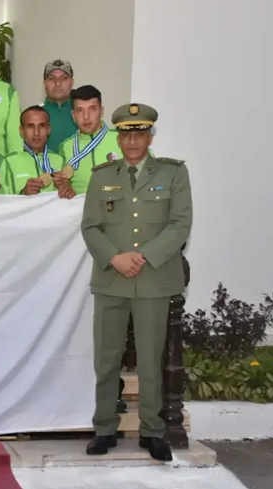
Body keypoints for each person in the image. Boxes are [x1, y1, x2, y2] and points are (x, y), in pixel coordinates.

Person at [81, 103, 192, 462]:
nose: (132, 141)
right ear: (118, 136)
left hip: (153, 278)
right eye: (126, 133)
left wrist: (142, 256)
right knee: (107, 358)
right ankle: (104, 428)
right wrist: (115, 257)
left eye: (139, 133)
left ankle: (152, 431)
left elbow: (180, 224)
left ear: (150, 135)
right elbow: (90, 226)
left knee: (150, 358)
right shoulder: (101, 176)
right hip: (112, 278)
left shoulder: (173, 173)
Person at [56, 85, 123, 198]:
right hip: (81, 212)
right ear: (73, 115)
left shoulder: (121, 138)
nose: (86, 117)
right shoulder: (65, 146)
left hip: (116, 210)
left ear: (101, 111)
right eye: (80, 110)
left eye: (92, 109)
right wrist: (64, 186)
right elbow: (61, 183)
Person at [4, 105, 65, 195]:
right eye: (30, 126)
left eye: (42, 126)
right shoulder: (8, 162)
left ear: (49, 129)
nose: (36, 133)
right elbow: (1, 202)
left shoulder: (59, 161)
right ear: (21, 131)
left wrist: (66, 189)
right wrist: (22, 194)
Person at [41, 59, 77, 152]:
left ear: (72, 82)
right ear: (44, 84)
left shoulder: (82, 112)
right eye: (51, 78)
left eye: (64, 78)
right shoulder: (36, 114)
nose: (57, 83)